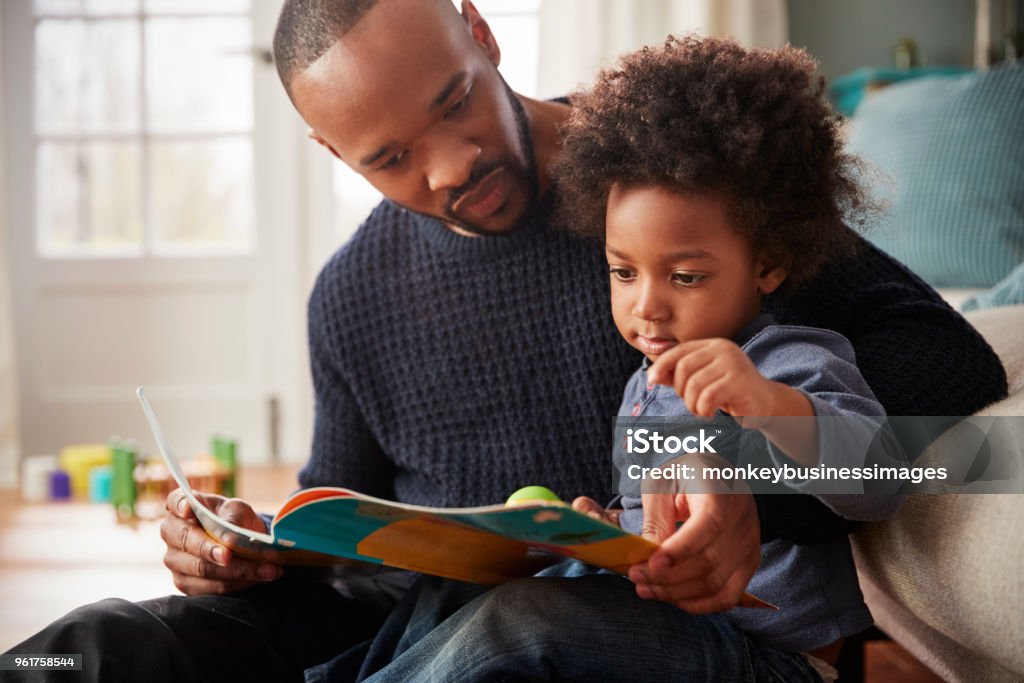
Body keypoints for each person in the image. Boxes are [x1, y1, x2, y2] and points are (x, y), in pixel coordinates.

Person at [4, 1, 1006, 681]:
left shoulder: (665, 193)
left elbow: (951, 364)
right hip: (418, 620)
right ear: (330, 150)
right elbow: (346, 528)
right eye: (389, 157)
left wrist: (740, 478)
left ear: (478, 31)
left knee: (506, 632)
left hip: (613, 625)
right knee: (97, 642)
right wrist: (245, 549)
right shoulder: (351, 296)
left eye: (453, 103)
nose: (450, 166)